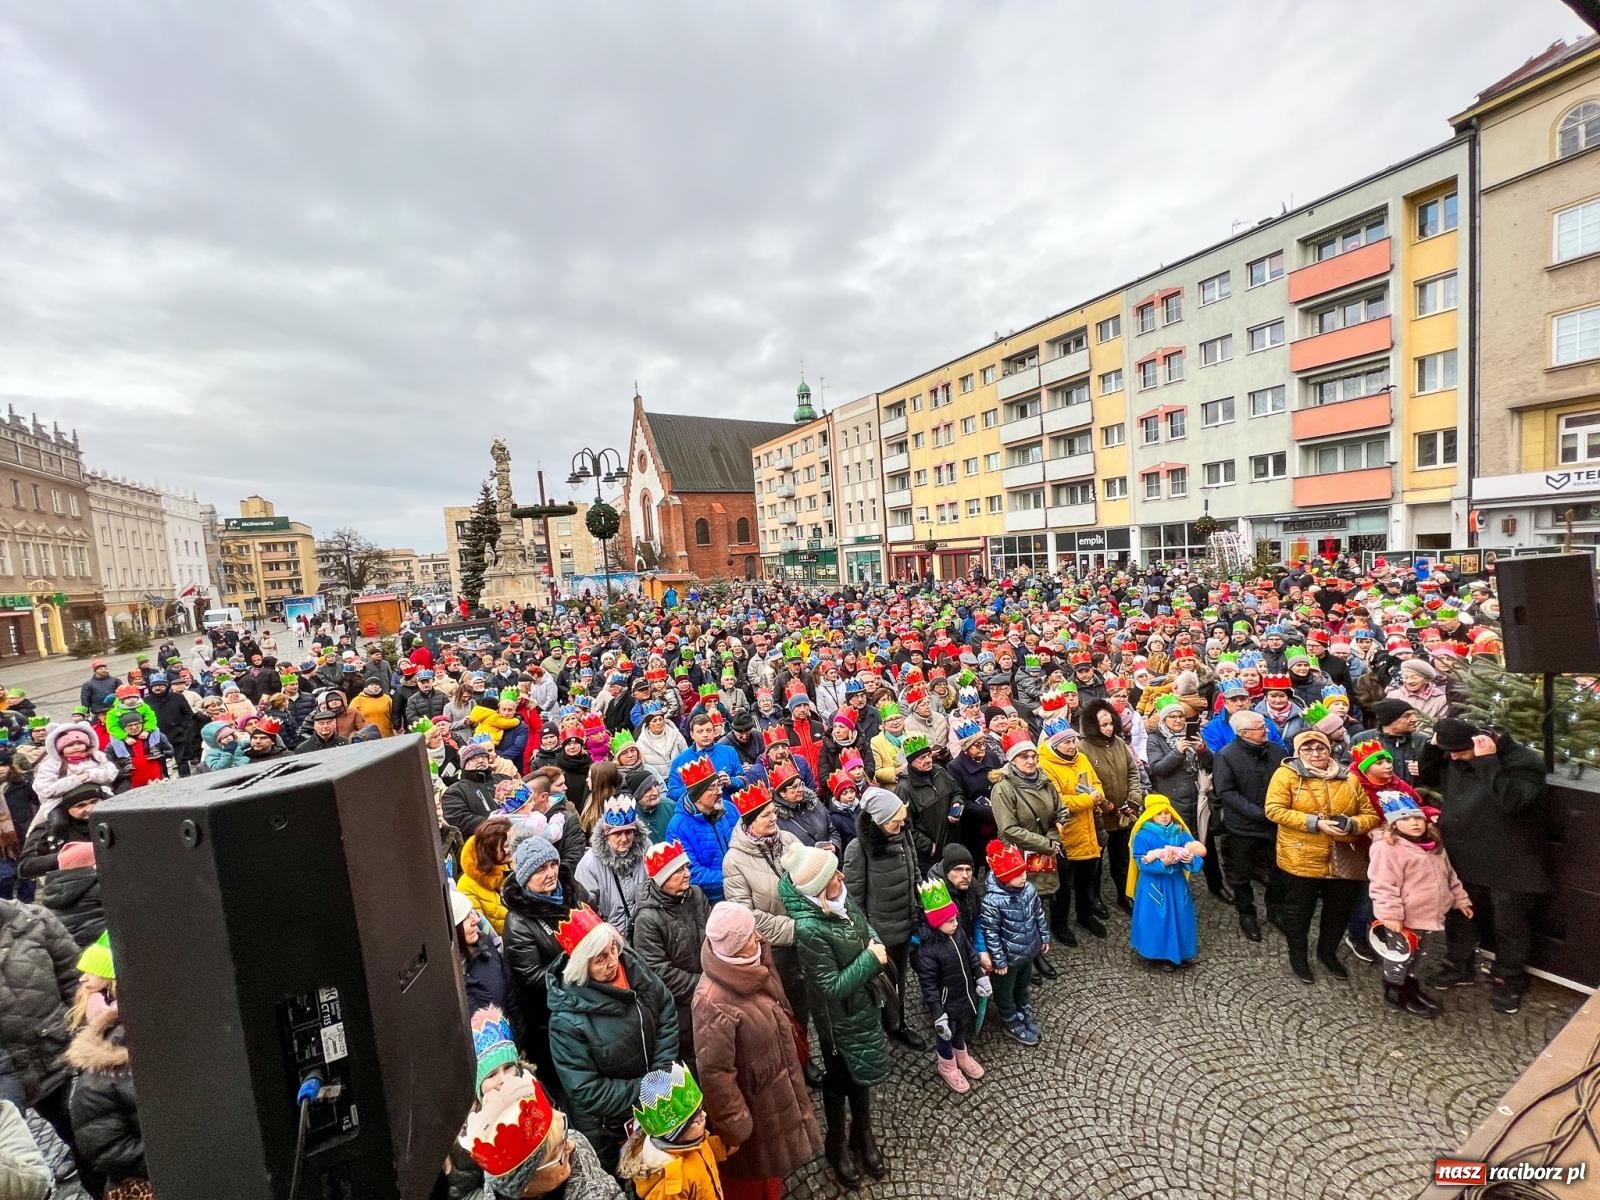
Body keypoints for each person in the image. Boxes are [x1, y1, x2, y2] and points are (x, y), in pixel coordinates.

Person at [691, 901, 823, 1200]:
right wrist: (735, 1126)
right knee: (756, 1176)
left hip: (775, 1089)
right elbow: (715, 1074)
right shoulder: (711, 1002)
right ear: (735, 947)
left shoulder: (755, 958)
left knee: (773, 1169)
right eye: (750, 935)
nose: (758, 937)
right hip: (757, 1103)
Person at [777, 843, 890, 1190]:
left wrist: (873, 942)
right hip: (838, 1019)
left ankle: (862, 1132)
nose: (841, 877)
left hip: (862, 1005)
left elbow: (863, 927)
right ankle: (837, 1144)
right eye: (833, 876)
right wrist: (871, 958)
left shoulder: (838, 896)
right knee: (840, 1079)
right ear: (817, 890)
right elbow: (831, 986)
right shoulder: (810, 929)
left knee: (861, 1073)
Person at [1418, 718, 1548, 1016]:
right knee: (1460, 913)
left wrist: (1487, 761)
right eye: (1449, 751)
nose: (1454, 758)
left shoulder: (1522, 762)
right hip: (1464, 850)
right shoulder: (1455, 755)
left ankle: (1509, 977)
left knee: (1509, 922)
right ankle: (1459, 964)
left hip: (1509, 856)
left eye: (1459, 751)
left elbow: (1513, 801)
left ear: (1482, 742)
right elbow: (1428, 775)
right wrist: (1433, 746)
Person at [545, 905, 680, 1173]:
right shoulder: (566, 1022)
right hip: (616, 1127)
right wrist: (648, 1088)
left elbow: (665, 1007)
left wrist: (662, 1071)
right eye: (600, 959)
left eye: (613, 949)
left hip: (660, 1098)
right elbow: (586, 1089)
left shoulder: (633, 967)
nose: (612, 961)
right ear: (582, 967)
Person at [0, 897, 99, 1195]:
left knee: (90, 1144)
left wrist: (87, 1043)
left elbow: (77, 986)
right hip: (11, 1080)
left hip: (63, 1059)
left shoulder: (34, 921)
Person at [1265, 730, 1380, 984]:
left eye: (1321, 748)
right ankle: (1298, 956)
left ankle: (1327, 953)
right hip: (1301, 856)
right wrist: (1314, 823)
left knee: (1338, 911)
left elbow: (1370, 815)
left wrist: (1351, 824)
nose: (1316, 754)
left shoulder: (1349, 777)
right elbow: (1274, 810)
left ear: (1330, 750)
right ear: (1298, 753)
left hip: (1343, 858)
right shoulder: (1286, 775)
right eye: (1308, 749)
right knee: (1299, 911)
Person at [1365, 789, 1469, 1019]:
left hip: (1430, 915)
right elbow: (1383, 884)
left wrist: (1460, 899)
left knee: (1423, 955)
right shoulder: (1387, 848)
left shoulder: (1433, 845)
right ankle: (1395, 990)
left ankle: (1410, 984)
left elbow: (1449, 875)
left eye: (1417, 818)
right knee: (1400, 956)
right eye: (1405, 819)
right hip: (1404, 918)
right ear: (1393, 824)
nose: (1414, 823)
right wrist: (1391, 915)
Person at [841, 787, 925, 1049]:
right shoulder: (858, 849)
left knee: (899, 980)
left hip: (905, 923)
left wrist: (922, 899)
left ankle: (898, 1024)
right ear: (878, 821)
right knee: (879, 984)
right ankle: (879, 1029)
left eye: (902, 819)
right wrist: (866, 935)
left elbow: (914, 870)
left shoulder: (903, 835)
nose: (901, 825)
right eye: (895, 821)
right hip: (880, 933)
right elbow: (853, 900)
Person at [499, 835, 583, 1093]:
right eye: (540, 869)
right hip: (552, 1020)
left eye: (552, 864)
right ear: (525, 877)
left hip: (587, 1000)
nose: (550, 873)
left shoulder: (572, 893)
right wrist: (576, 958)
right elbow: (533, 979)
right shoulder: (518, 923)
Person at [988, 728, 1071, 971]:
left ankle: (1037, 948)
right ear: (1012, 760)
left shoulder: (1044, 780)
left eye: (1033, 756)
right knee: (1022, 907)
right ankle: (1028, 957)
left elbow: (1060, 811)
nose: (1031, 761)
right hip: (1019, 856)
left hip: (1046, 851)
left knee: (1040, 901)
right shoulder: (1003, 789)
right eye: (1024, 756)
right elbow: (1008, 829)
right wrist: (1046, 844)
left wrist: (1054, 836)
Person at [630, 842, 710, 1069]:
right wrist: (704, 985)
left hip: (711, 992)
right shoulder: (647, 920)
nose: (687, 874)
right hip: (681, 1010)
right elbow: (659, 972)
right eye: (678, 870)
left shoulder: (696, 894)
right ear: (662, 879)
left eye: (686, 867)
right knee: (696, 1061)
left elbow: (714, 937)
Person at [1213, 711, 1289, 942]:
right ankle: (1246, 913)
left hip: (1275, 826)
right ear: (1244, 733)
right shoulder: (1226, 756)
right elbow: (1226, 792)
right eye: (1260, 728)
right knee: (1241, 874)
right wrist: (1259, 814)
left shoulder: (1277, 751)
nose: (1266, 730)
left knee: (1278, 872)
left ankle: (1276, 911)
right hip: (1242, 828)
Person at [911, 879, 986, 1094]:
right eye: (950, 920)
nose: (956, 923)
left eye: (955, 918)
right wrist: (937, 1013)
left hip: (964, 995)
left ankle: (961, 1053)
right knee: (947, 1034)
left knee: (961, 1027)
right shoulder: (927, 952)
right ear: (936, 923)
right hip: (946, 1003)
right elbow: (928, 985)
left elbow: (971, 956)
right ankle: (947, 1064)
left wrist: (980, 977)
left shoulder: (958, 933)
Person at [980, 839, 1049, 1047]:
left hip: (1027, 952)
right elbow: (991, 933)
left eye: (1024, 873)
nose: (1024, 877)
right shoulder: (992, 902)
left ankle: (1023, 1008)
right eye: (1018, 875)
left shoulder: (1028, 890)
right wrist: (999, 961)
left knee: (1023, 984)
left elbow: (1038, 914)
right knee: (1005, 990)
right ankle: (1010, 1019)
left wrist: (1044, 936)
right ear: (1004, 878)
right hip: (1008, 960)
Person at [1078, 698, 1143, 915]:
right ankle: (1093, 899)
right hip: (1099, 816)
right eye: (1103, 725)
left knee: (1122, 857)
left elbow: (1133, 772)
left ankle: (1124, 894)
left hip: (1124, 812)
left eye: (1111, 724)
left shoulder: (1120, 743)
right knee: (1095, 862)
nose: (1109, 729)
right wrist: (1107, 806)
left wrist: (1134, 800)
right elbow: (1085, 784)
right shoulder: (1083, 748)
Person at [1126, 794, 1204, 970]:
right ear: (1151, 815)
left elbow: (1195, 854)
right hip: (1154, 885)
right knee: (1157, 919)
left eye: (1166, 812)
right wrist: (1163, 864)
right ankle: (1159, 954)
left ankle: (1180, 952)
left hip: (1176, 884)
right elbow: (1141, 862)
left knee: (1181, 916)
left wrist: (1190, 859)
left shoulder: (1180, 833)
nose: (1164, 816)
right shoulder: (1143, 835)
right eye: (1159, 813)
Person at [574, 795, 650, 939]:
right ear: (606, 834)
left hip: (644, 933)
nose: (624, 838)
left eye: (628, 832)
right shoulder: (589, 865)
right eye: (617, 833)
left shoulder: (646, 853)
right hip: (609, 939)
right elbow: (584, 910)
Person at [664, 758, 738, 903]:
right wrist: (733, 879)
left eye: (719, 785)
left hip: (742, 888)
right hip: (709, 900)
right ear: (697, 796)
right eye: (712, 788)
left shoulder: (729, 808)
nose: (719, 792)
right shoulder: (678, 827)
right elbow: (692, 872)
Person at [453, 890, 519, 1030]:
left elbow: (511, 996)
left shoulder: (486, 948)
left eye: (471, 913)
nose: (476, 920)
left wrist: (519, 1035)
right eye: (465, 918)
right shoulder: (444, 980)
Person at [894, 733, 960, 871]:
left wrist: (957, 804)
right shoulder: (904, 788)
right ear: (911, 761)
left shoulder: (939, 771)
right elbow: (904, 825)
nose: (929, 760)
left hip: (952, 843)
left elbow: (956, 792)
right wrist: (928, 846)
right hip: (928, 857)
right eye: (922, 758)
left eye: (929, 755)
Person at [457, 815, 513, 937]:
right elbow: (481, 931)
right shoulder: (466, 886)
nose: (511, 849)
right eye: (506, 845)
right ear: (489, 849)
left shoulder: (514, 867)